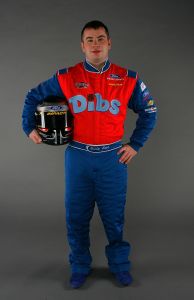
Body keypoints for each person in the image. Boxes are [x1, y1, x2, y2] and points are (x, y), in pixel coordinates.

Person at [22, 20, 157, 288]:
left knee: (114, 217)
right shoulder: (66, 77)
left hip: (112, 158)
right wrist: (30, 128)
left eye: (100, 39)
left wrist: (135, 144)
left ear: (109, 43)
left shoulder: (128, 78)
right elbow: (31, 96)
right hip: (78, 157)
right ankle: (80, 267)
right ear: (82, 45)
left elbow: (149, 111)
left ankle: (119, 266)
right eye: (90, 40)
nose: (96, 44)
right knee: (76, 216)